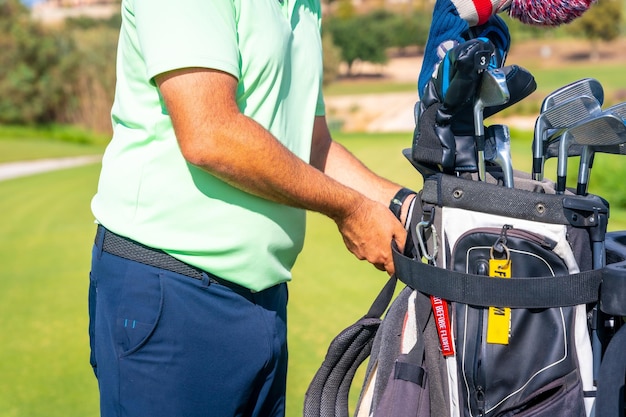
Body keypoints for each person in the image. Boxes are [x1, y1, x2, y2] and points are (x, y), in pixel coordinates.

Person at [88, 1, 416, 416]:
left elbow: (312, 145)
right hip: (170, 293)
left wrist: (406, 204)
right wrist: (349, 210)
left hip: (263, 302)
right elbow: (211, 134)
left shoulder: (304, 6)